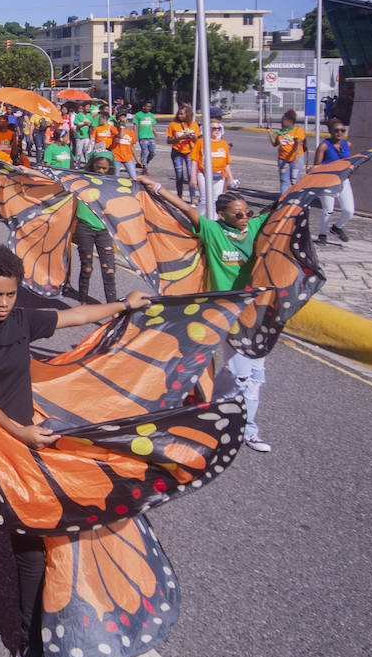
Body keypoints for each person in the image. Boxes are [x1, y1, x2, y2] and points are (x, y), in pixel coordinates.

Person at [0, 243, 151, 657]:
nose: (4, 303)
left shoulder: (21, 319)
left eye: (11, 294)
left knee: (31, 543)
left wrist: (123, 305)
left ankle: (31, 644)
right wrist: (18, 431)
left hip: (23, 447)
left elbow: (71, 319)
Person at [135, 176, 271, 452]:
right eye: (238, 214)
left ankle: (232, 418)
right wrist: (157, 188)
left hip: (256, 311)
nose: (245, 217)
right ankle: (235, 420)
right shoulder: (212, 231)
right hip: (225, 311)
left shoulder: (256, 227)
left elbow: (282, 212)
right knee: (242, 374)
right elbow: (186, 210)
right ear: (222, 216)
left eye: (248, 213)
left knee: (253, 376)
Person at [74, 152, 118, 302]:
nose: (101, 171)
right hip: (85, 228)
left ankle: (113, 309)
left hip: (104, 230)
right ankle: (83, 301)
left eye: (105, 169)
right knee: (87, 267)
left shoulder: (113, 182)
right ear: (92, 165)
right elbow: (58, 177)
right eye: (98, 168)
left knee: (109, 270)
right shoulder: (81, 178)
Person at [315, 119, 354, 243]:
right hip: (327, 181)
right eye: (336, 130)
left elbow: (350, 162)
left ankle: (337, 227)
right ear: (330, 131)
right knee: (328, 210)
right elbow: (316, 166)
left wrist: (351, 168)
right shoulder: (324, 146)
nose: (340, 133)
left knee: (349, 210)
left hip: (343, 181)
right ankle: (322, 234)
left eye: (342, 130)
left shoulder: (347, 144)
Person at [191, 119, 239, 214]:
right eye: (214, 128)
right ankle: (201, 222)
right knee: (205, 199)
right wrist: (193, 177)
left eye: (219, 128)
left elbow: (226, 164)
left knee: (217, 200)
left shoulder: (223, 144)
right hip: (203, 174)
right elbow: (194, 160)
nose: (217, 130)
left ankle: (213, 221)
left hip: (219, 175)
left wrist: (231, 179)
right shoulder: (201, 142)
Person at [165, 104, 200, 202]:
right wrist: (178, 138)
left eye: (182, 114)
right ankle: (179, 196)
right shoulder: (173, 124)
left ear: (187, 114)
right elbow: (169, 140)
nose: (179, 116)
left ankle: (192, 197)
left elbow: (197, 140)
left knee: (191, 174)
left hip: (190, 152)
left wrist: (191, 137)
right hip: (177, 151)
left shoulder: (194, 124)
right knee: (179, 175)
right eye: (178, 114)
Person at [269, 109, 307, 195]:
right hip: (283, 159)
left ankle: (294, 200)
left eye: (283, 121)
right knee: (284, 181)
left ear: (290, 122)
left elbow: (298, 142)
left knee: (294, 181)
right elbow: (275, 144)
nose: (281, 123)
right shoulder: (281, 132)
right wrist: (270, 133)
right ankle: (283, 200)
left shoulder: (298, 130)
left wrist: (296, 156)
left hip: (295, 159)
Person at [109, 111, 137, 177]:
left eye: (124, 118)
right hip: (116, 157)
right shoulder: (113, 129)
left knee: (134, 177)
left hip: (128, 157)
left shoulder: (131, 132)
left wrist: (137, 160)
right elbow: (121, 136)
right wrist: (122, 126)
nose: (122, 120)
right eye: (120, 118)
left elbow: (132, 146)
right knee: (116, 177)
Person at [132, 101, 157, 172]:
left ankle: (145, 163)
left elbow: (153, 126)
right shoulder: (138, 115)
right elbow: (135, 126)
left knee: (153, 152)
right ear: (144, 106)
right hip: (143, 137)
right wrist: (134, 136)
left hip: (151, 137)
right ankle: (144, 168)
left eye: (150, 107)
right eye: (147, 106)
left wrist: (156, 136)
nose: (148, 108)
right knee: (144, 152)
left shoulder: (151, 115)